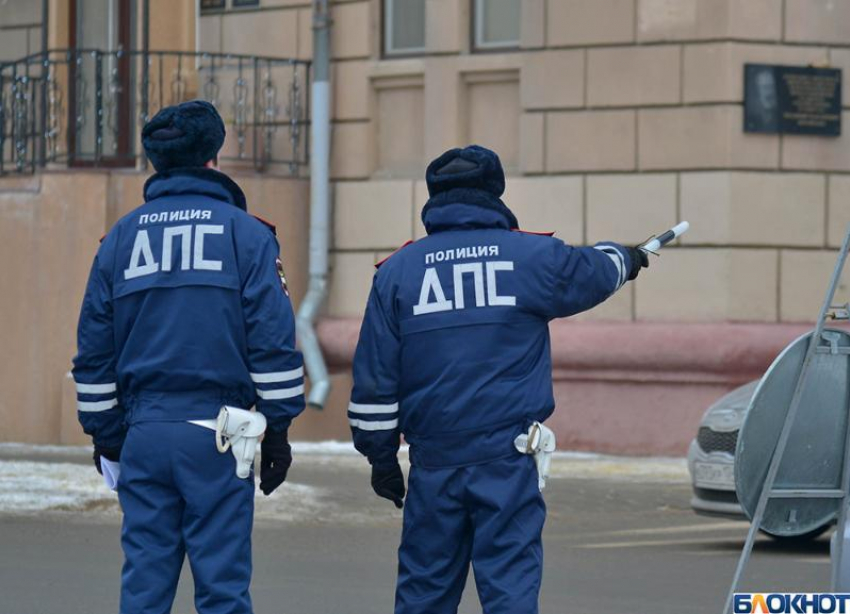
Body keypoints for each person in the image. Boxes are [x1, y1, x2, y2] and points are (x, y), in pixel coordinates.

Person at [348, 145, 649, 614]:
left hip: (433, 465)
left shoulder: (397, 273)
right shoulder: (530, 257)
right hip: (505, 462)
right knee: (509, 588)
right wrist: (626, 258)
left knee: (423, 594)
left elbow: (373, 378)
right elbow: (593, 270)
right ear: (495, 191)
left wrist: (380, 456)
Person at [72, 100, 305, 614]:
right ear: (213, 157)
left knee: (144, 586)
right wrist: (280, 430)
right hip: (220, 437)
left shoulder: (118, 242)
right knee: (222, 589)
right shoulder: (248, 236)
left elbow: (93, 352)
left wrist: (107, 435)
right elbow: (273, 344)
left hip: (144, 433)